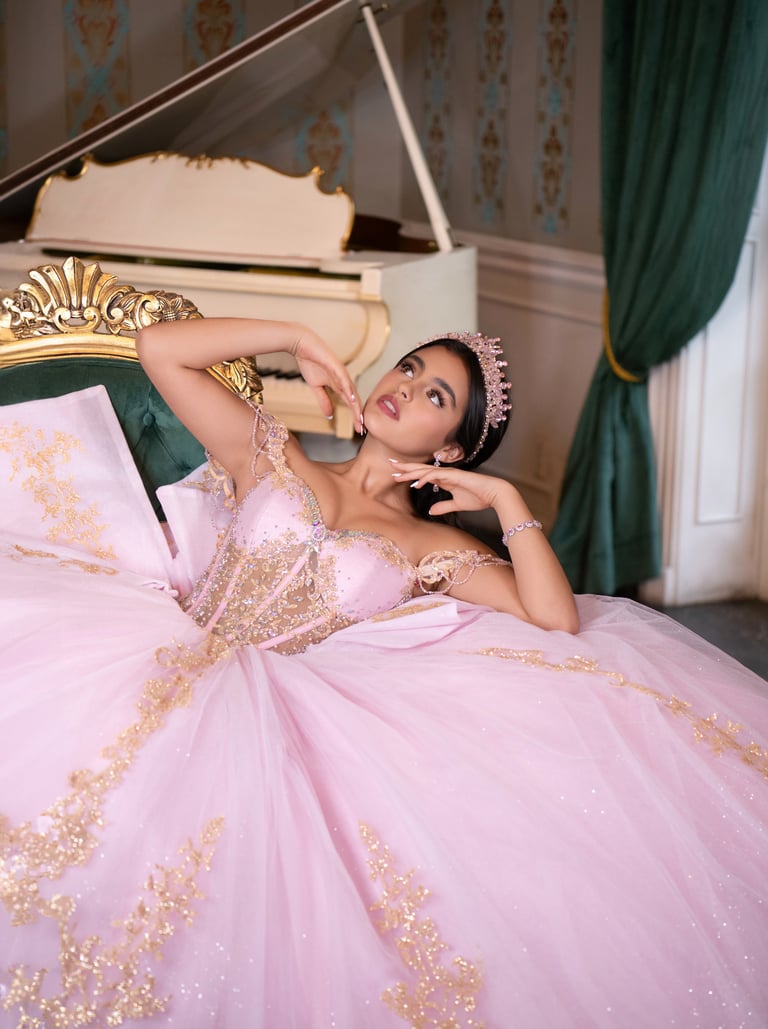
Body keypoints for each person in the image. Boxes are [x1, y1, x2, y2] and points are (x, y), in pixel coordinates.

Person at [0, 318, 766, 1028]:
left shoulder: (426, 547)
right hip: (165, 656)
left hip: (276, 716)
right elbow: (159, 350)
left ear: (451, 449)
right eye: (409, 366)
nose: (405, 385)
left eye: (436, 394)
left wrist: (505, 499)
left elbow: (554, 616)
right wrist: (293, 336)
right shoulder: (272, 451)